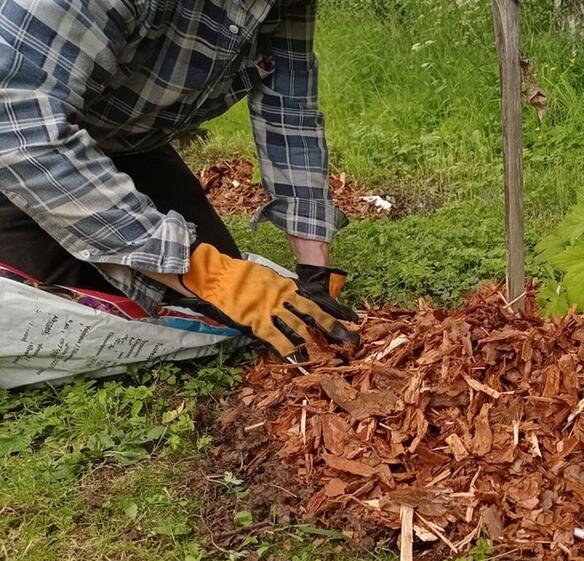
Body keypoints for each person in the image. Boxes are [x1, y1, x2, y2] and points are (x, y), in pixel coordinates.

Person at [0, 0, 359, 356]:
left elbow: (289, 115)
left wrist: (314, 272)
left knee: (216, 310)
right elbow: (16, 123)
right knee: (69, 308)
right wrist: (203, 272)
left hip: (118, 140)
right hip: (19, 144)